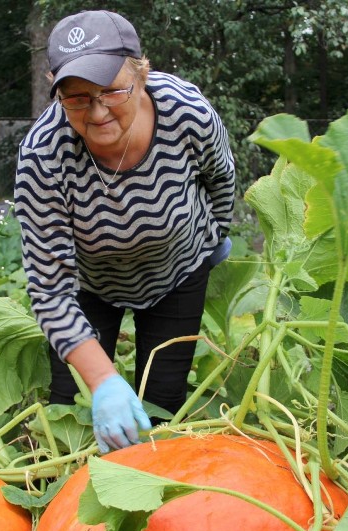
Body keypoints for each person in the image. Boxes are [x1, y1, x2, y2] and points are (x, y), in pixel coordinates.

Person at [14, 10, 235, 454]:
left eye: (112, 91)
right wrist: (103, 382)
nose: (97, 113)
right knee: (71, 409)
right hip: (88, 285)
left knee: (161, 408)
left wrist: (212, 238)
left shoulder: (186, 113)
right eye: (76, 98)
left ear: (142, 72)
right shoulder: (43, 155)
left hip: (178, 271)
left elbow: (221, 178)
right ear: (55, 84)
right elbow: (50, 289)